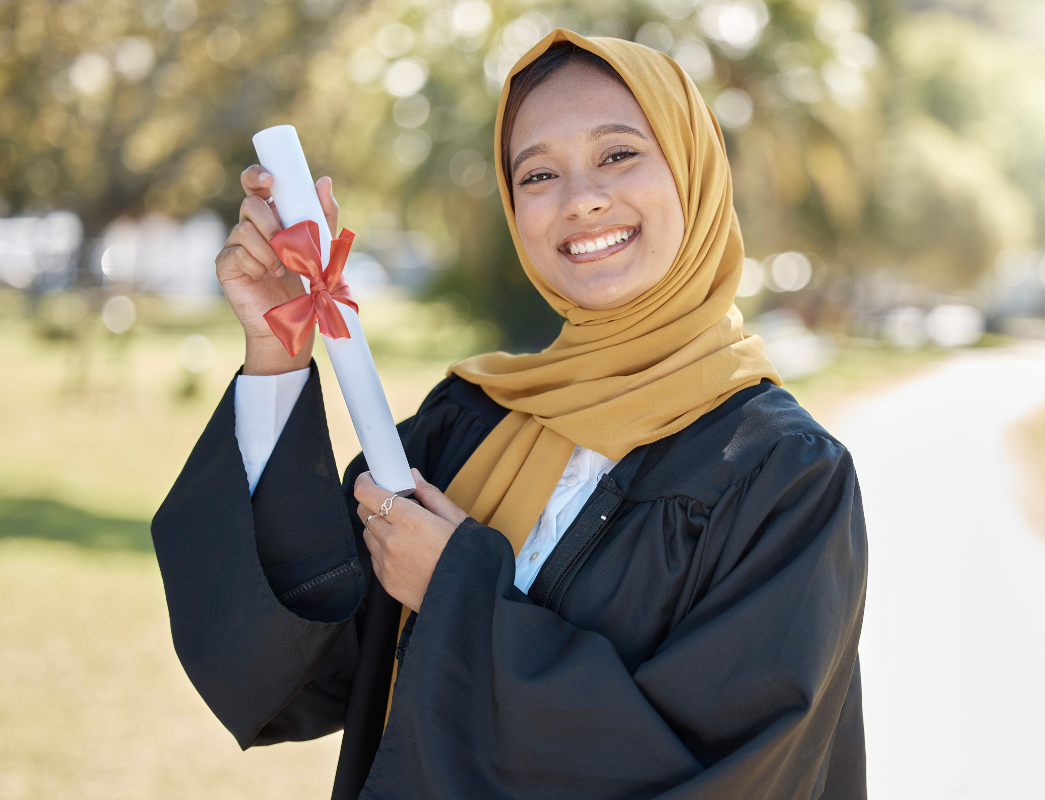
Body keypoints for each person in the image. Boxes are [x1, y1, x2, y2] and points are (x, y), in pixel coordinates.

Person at [153, 30, 868, 800]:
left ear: (693, 172)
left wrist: (458, 592)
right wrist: (276, 351)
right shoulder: (469, 422)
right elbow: (302, 673)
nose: (581, 198)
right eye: (538, 173)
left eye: (620, 154)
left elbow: (735, 776)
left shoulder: (784, 478)